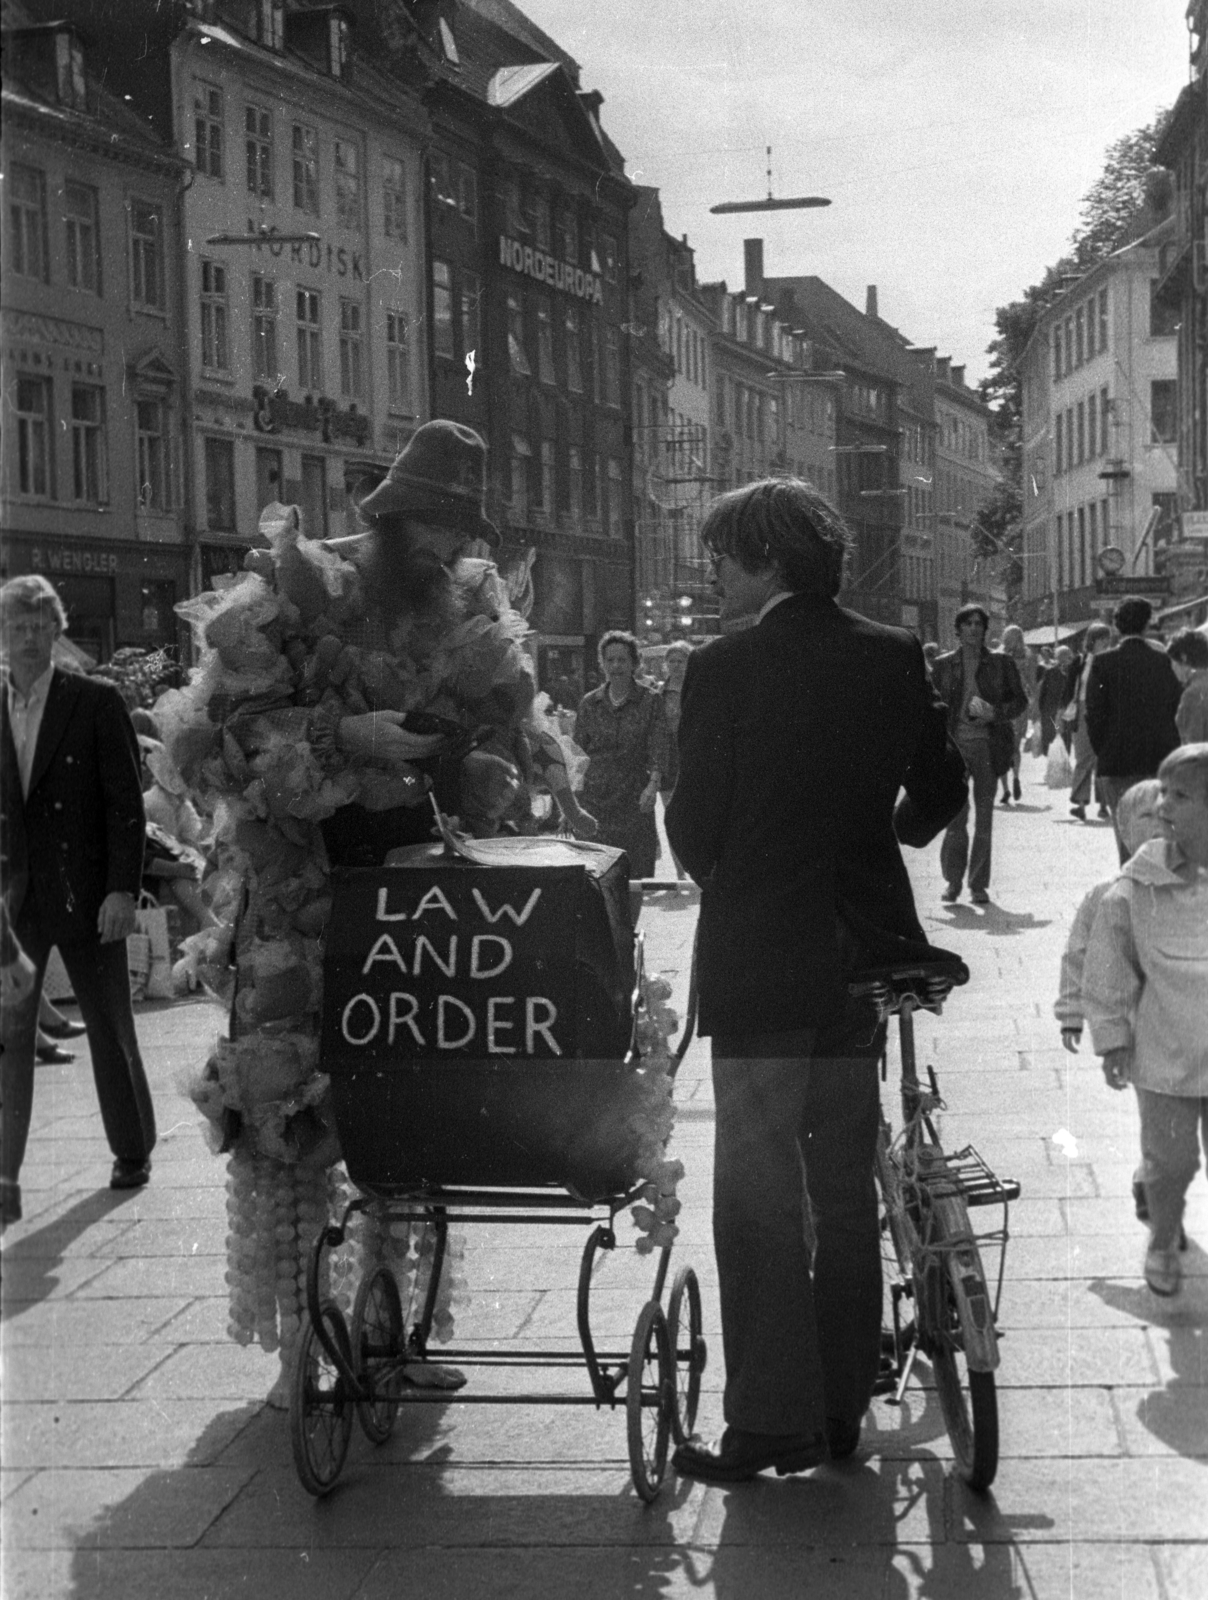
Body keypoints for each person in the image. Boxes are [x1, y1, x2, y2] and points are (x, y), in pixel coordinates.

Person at [665, 477, 967, 1483]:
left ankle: (766, 1422)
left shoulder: (722, 664)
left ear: (765, 560)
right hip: (860, 956)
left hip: (761, 959)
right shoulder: (889, 653)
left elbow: (692, 820)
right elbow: (940, 783)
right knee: (842, 1186)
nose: (712, 572)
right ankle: (839, 1409)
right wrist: (879, 845)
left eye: (722, 556)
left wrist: (743, 882)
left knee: (754, 1189)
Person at [1, 575, 156, 1228]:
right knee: (9, 1038)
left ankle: (131, 1149)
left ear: (58, 631)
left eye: (41, 625)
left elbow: (126, 805)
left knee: (110, 1026)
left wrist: (123, 888)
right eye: (17, 626)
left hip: (90, 890)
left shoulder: (94, 700)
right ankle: (5, 1175)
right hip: (17, 897)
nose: (30, 637)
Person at [1082, 744, 1208, 1298]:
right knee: (1171, 1162)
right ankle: (1162, 1237)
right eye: (1161, 791)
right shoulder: (1141, 879)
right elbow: (1111, 959)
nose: (1162, 806)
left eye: (1179, 795)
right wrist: (1112, 1036)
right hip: (1165, 1053)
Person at [1054, 780, 1180, 1235]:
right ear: (1123, 831)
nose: (1158, 826)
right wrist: (1071, 1011)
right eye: (1145, 818)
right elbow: (1080, 955)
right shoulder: (1107, 895)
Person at [930, 605, 1028, 904]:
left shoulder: (1001, 663)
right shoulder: (944, 665)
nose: (973, 628)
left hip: (987, 746)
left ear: (986, 629)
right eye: (967, 623)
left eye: (978, 624)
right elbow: (932, 706)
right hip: (955, 748)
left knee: (984, 818)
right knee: (956, 820)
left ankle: (978, 885)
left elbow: (1020, 701)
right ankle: (953, 882)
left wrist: (994, 713)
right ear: (957, 629)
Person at [1085, 597, 1183, 863]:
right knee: (1154, 834)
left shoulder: (1103, 663)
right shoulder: (1163, 662)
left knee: (1126, 837)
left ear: (1116, 625)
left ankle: (1131, 892)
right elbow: (1175, 709)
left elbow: (1094, 715)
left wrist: (1103, 750)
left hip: (1116, 762)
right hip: (1156, 759)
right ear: (1147, 624)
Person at [574, 631, 669, 879]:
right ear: (602, 663)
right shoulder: (589, 703)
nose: (616, 666)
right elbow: (576, 755)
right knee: (596, 873)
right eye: (610, 660)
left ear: (634, 663)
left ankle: (630, 920)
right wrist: (571, 806)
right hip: (594, 801)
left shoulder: (650, 701)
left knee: (635, 873)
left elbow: (659, 746)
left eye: (622, 660)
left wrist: (653, 784)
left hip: (634, 798)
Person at [1061, 621, 1112, 821]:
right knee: (1083, 757)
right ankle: (1081, 804)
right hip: (1081, 712)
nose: (1106, 643)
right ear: (1092, 641)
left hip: (1105, 714)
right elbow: (1068, 689)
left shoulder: (1112, 662)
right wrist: (1061, 714)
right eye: (1102, 639)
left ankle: (1104, 805)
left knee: (1102, 760)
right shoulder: (1080, 661)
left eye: (1108, 639)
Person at [656, 641, 692, 888]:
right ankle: (680, 869)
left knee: (693, 813)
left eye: (681, 661)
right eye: (672, 661)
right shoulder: (657, 694)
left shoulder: (697, 689)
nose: (676, 665)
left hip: (692, 758)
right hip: (668, 761)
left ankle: (694, 863)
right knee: (672, 815)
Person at [998, 624, 1035, 803]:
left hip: (1002, 705)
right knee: (1015, 746)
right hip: (1020, 706)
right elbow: (1032, 683)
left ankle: (1005, 789)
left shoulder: (998, 655)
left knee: (1002, 747)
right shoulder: (1027, 656)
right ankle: (1016, 778)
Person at [1168, 628, 1208, 744]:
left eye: (1173, 662)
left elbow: (1192, 746)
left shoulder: (1192, 694)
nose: (1172, 668)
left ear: (1183, 658)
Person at [1036, 644, 1072, 755]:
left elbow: (1042, 693)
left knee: (1053, 737)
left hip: (1053, 710)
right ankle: (1061, 762)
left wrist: (1041, 709)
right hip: (1059, 710)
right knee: (1061, 737)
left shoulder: (1050, 671)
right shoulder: (1053, 672)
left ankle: (1055, 762)